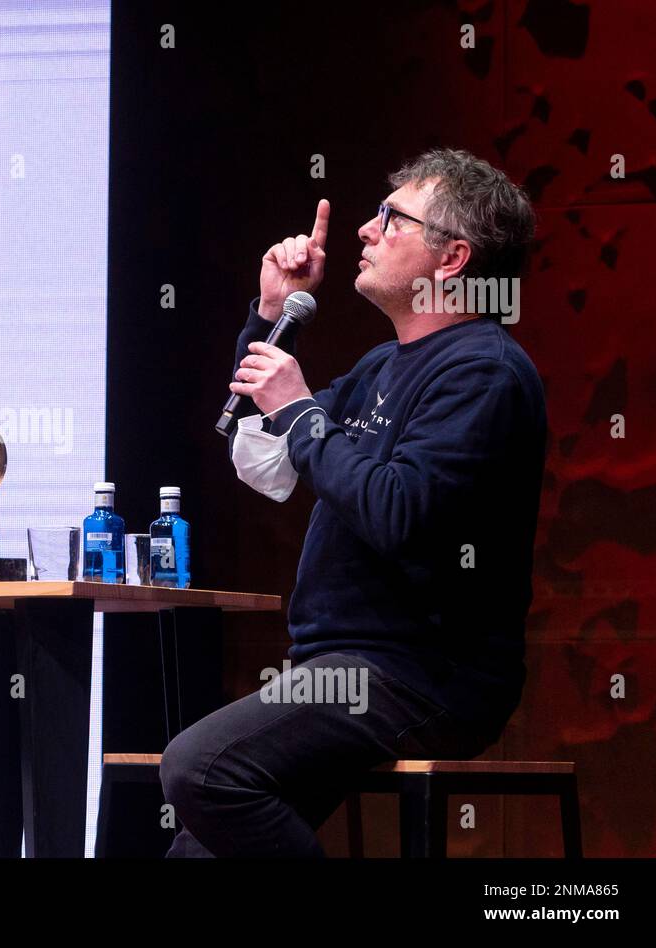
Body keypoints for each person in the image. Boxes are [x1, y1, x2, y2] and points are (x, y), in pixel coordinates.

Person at [161, 148, 545, 856]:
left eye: (391, 218)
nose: (367, 231)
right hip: (338, 668)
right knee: (199, 850)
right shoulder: (380, 365)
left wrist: (304, 411)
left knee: (200, 768)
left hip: (423, 675)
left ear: (453, 258)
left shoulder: (483, 371)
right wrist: (271, 318)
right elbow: (266, 464)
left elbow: (399, 513)